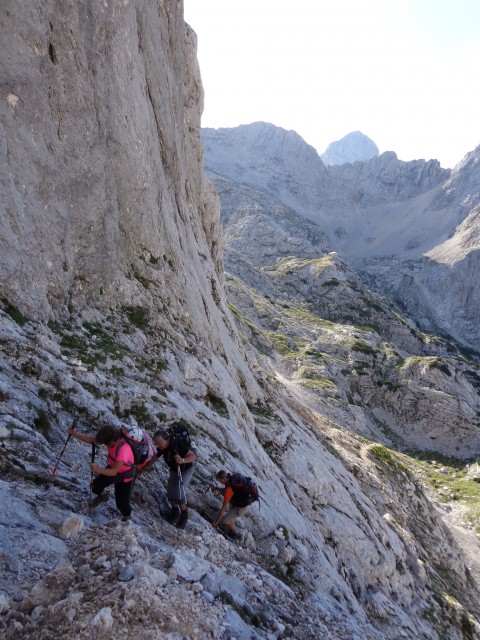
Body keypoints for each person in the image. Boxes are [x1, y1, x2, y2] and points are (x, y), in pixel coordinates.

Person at [68, 424, 134, 521]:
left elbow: (114, 472)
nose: (105, 445)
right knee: (95, 486)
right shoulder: (110, 439)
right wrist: (75, 434)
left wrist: (96, 469)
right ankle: (103, 496)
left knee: (121, 503)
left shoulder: (124, 450)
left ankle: (127, 517)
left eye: (106, 444)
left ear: (112, 441)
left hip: (124, 476)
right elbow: (92, 440)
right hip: (112, 468)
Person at [141, 427, 197, 529]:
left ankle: (184, 515)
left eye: (159, 444)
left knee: (179, 491)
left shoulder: (177, 443)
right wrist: (142, 468)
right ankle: (175, 511)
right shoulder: (163, 447)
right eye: (157, 444)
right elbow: (154, 458)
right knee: (170, 491)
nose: (158, 446)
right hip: (174, 469)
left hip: (186, 468)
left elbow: (193, 456)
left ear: (166, 440)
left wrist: (182, 460)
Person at [210, 470, 255, 539]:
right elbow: (225, 490)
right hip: (242, 503)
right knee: (229, 517)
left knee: (225, 521)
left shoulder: (229, 488)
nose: (220, 482)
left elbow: (223, 508)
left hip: (242, 507)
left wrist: (216, 522)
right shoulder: (231, 481)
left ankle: (237, 534)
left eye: (220, 480)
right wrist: (216, 488)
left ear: (224, 478)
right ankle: (232, 529)